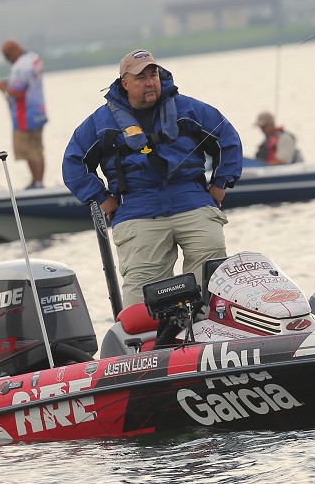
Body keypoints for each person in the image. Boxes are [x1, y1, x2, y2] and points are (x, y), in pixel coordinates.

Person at [62, 49, 242, 307]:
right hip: (137, 208)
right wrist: (102, 198)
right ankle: (149, 331)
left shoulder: (188, 108)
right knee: (140, 298)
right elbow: (73, 163)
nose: (149, 82)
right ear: (125, 84)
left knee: (212, 276)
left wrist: (220, 183)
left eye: (153, 75)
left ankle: (205, 323)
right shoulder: (101, 122)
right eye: (141, 77)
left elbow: (228, 139)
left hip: (191, 200)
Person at [0, 39, 48, 188]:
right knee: (38, 149)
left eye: (7, 55)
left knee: (29, 151)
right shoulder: (34, 58)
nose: (7, 59)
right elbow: (26, 83)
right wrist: (8, 84)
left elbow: (17, 93)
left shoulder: (19, 67)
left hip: (24, 115)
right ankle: (38, 182)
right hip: (38, 110)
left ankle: (36, 182)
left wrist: (2, 87)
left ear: (13, 51)